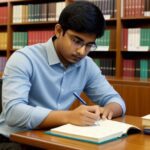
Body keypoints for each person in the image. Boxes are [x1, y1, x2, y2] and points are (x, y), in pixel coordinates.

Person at [0, 1, 126, 149]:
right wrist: (68, 116)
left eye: (89, 45)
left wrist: (107, 110)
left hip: (55, 139)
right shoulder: (24, 58)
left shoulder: (87, 65)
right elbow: (14, 112)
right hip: (14, 141)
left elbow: (117, 101)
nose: (81, 51)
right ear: (59, 31)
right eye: (76, 41)